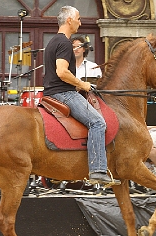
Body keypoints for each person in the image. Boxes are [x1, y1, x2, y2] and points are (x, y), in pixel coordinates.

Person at [43, 6, 120, 185]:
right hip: (64, 93)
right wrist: (81, 84)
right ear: (69, 20)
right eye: (78, 18)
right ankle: (98, 170)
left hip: (53, 92)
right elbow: (62, 72)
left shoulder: (53, 41)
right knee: (98, 122)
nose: (80, 22)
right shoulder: (64, 43)